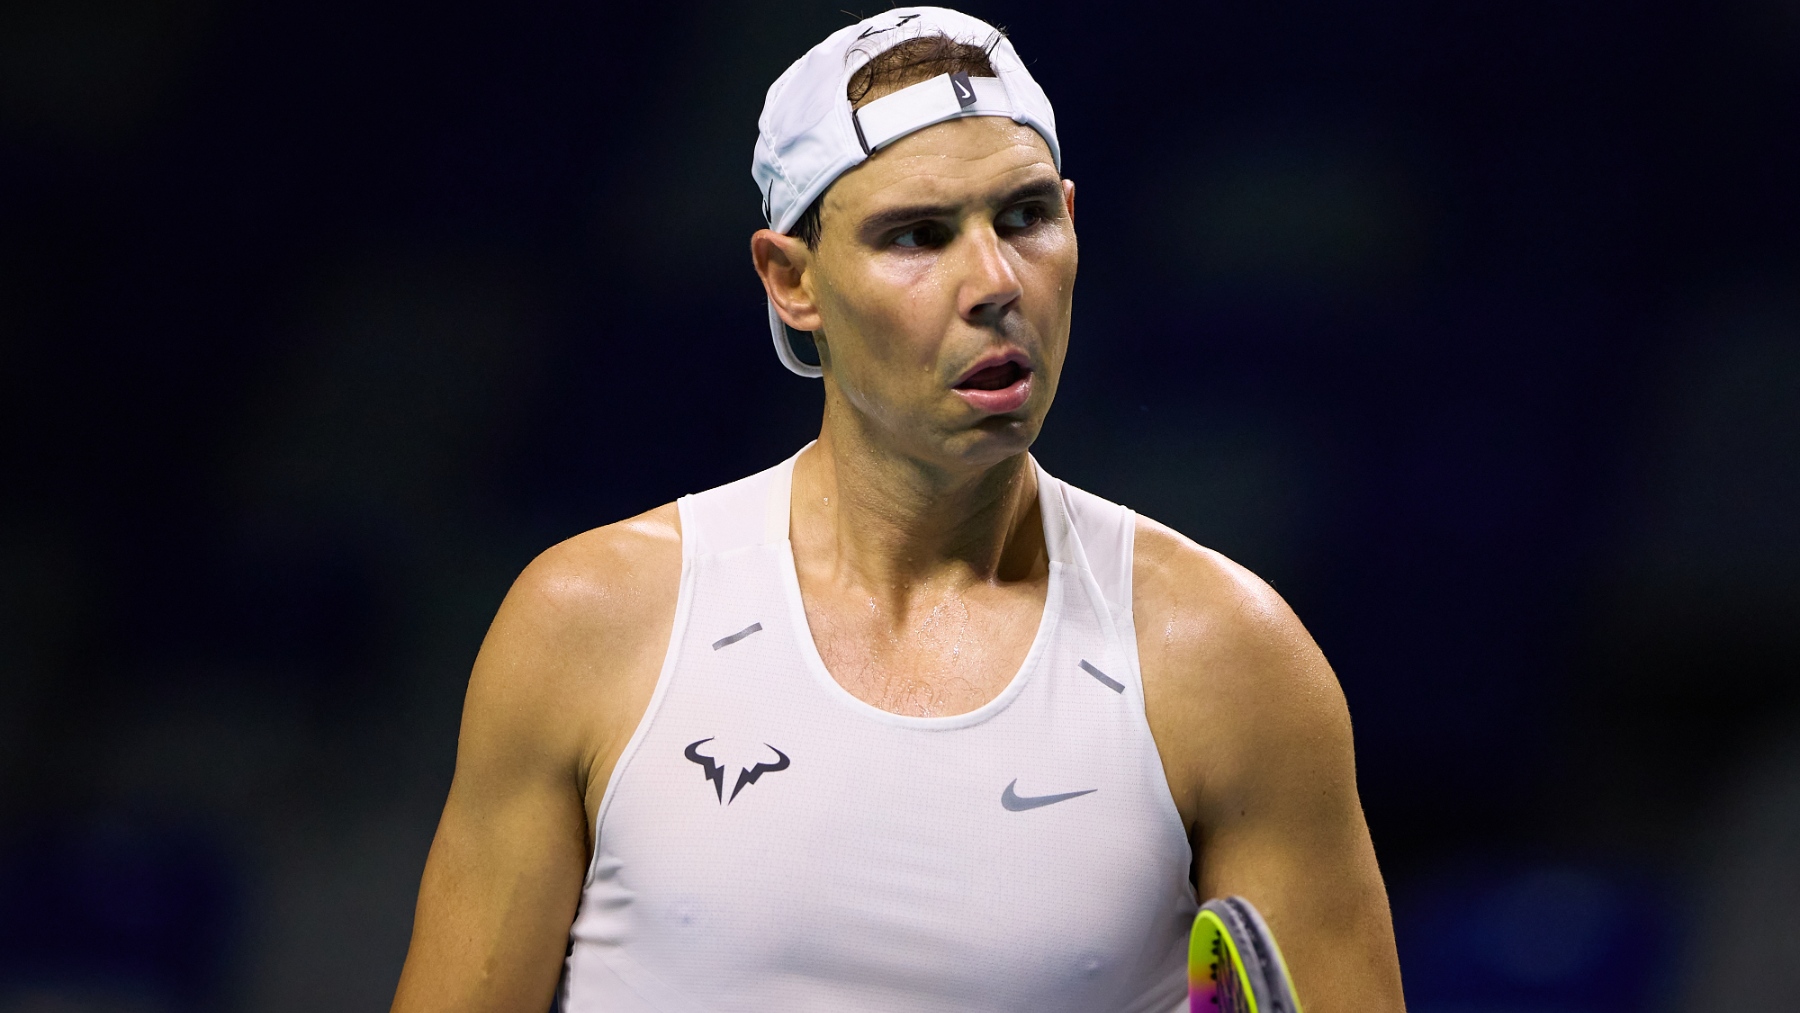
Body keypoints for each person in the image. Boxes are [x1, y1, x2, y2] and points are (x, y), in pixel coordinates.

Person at [390, 8, 1406, 1012]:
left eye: (1024, 218)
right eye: (917, 236)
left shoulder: (1231, 658)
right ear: (792, 281)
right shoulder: (585, 623)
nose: (996, 282)